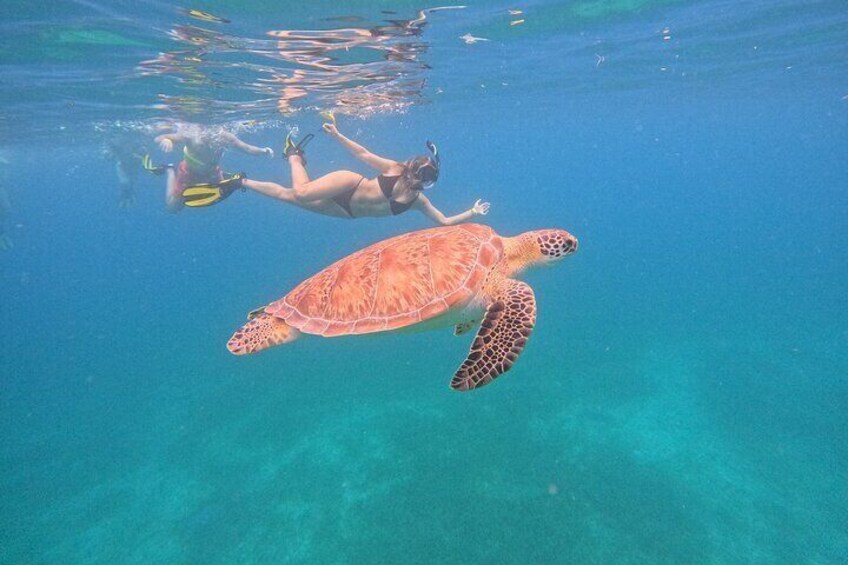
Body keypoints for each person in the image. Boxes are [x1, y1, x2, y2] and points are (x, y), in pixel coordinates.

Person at [239, 120, 490, 223]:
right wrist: (337, 135)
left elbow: (444, 222)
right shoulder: (396, 169)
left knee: (289, 197)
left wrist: (472, 211)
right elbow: (363, 154)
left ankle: (242, 181)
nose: (413, 176)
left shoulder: (419, 202)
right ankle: (293, 156)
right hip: (349, 184)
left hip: (347, 211)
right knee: (301, 193)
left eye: (419, 176)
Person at [145, 123, 275, 212]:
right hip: (188, 173)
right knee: (173, 208)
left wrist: (264, 151)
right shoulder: (190, 135)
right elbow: (159, 138)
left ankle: (229, 178)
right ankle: (170, 170)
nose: (209, 133)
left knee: (220, 194)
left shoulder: (224, 136)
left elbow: (247, 148)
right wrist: (167, 140)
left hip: (212, 173)